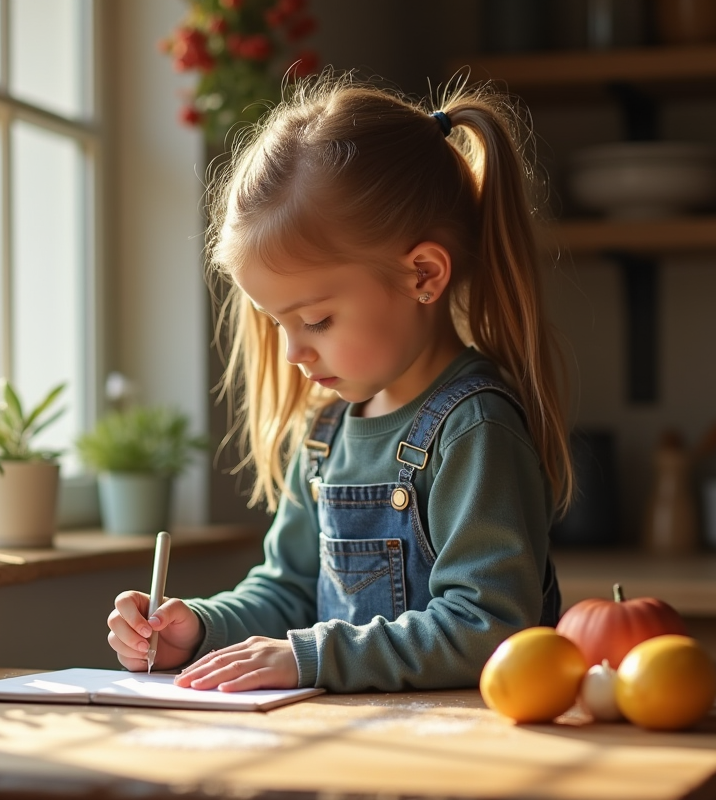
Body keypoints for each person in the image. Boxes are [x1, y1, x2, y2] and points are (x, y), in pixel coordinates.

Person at [107, 74, 573, 694]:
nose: (293, 351)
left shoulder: (474, 428)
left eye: (317, 320)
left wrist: (312, 658)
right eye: (278, 323)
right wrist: (198, 627)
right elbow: (290, 588)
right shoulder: (327, 433)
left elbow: (487, 626)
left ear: (423, 275)